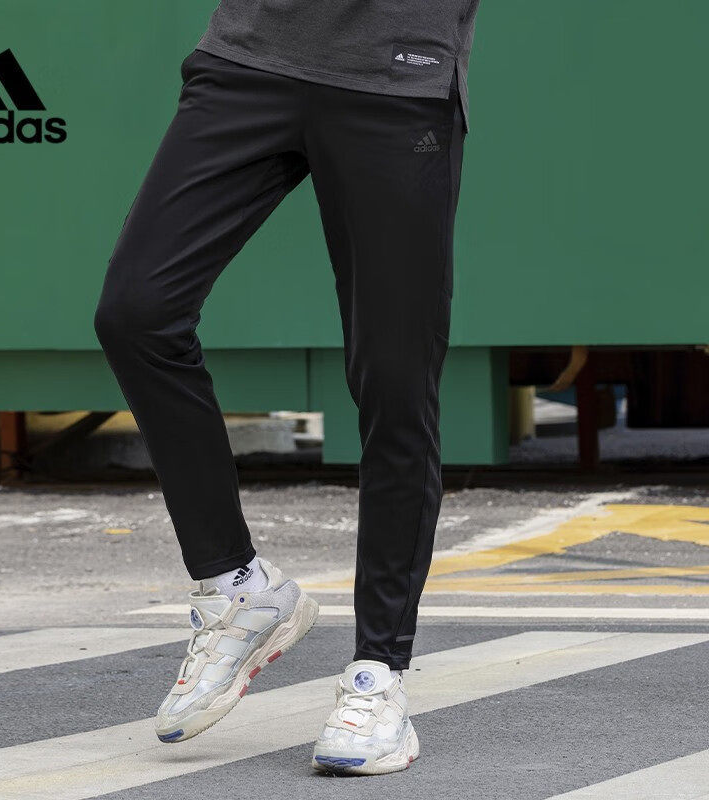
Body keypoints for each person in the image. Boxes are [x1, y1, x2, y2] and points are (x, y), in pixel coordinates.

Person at [95, 0, 481, 776]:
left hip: (396, 73)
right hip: (252, 53)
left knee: (395, 381)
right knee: (136, 312)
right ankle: (236, 585)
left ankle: (377, 674)